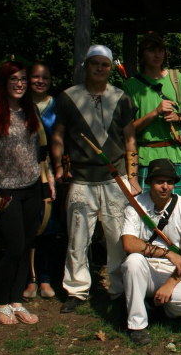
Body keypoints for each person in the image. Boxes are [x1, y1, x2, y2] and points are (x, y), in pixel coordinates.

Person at [51, 45, 140, 313]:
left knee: (116, 238)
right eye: (95, 64)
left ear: (110, 68)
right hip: (81, 177)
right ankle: (77, 289)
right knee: (78, 237)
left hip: (115, 177)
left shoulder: (121, 98)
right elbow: (57, 136)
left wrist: (133, 177)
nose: (100, 68)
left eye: (105, 64)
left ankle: (118, 288)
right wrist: (57, 165)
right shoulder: (68, 97)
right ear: (86, 66)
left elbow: (130, 140)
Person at [0, 60, 51, 325]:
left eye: (22, 79)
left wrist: (46, 183)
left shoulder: (31, 111)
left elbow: (39, 152)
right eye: (13, 79)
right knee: (14, 247)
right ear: (4, 83)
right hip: (6, 189)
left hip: (32, 187)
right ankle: (1, 302)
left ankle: (17, 301)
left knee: (28, 246)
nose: (19, 84)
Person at [121, 158, 181, 345]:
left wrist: (169, 285)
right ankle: (137, 325)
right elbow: (129, 243)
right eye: (159, 181)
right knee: (133, 261)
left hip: (173, 271)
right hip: (145, 269)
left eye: (170, 182)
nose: (165, 186)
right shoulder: (136, 205)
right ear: (148, 183)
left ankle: (156, 308)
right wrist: (167, 253)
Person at [122, 33, 181, 198]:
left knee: (177, 212)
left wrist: (178, 117)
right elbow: (129, 130)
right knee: (146, 215)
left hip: (176, 155)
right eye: (151, 50)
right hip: (145, 158)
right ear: (142, 54)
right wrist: (155, 112)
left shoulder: (176, 79)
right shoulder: (131, 86)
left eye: (160, 50)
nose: (157, 55)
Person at [23, 62, 60, 299]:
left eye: (44, 77)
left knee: (48, 226)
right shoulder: (19, 104)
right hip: (23, 172)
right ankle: (30, 279)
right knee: (28, 226)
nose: (40, 80)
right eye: (35, 76)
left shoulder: (58, 105)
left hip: (50, 172)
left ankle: (45, 278)